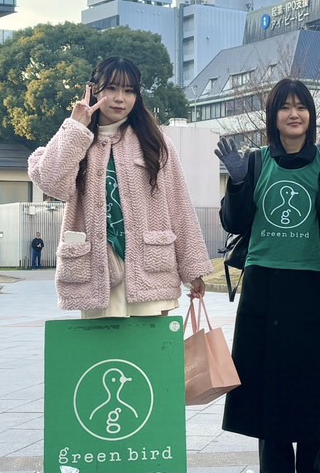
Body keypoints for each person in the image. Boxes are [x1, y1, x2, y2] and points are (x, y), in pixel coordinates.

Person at [216, 79, 320, 473]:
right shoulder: (257, 163)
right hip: (266, 281)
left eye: (302, 107)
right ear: (273, 117)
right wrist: (237, 184)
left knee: (315, 376)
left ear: (311, 116)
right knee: (266, 377)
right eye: (284, 108)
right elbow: (234, 223)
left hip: (315, 279)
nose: (294, 114)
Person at [28, 56, 209, 318]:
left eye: (129, 91)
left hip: (150, 271)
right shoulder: (77, 139)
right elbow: (53, 184)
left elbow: (179, 206)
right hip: (98, 273)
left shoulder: (155, 143)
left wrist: (193, 270)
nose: (119, 98)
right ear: (94, 90)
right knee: (104, 358)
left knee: (147, 357)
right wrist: (76, 126)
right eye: (111, 88)